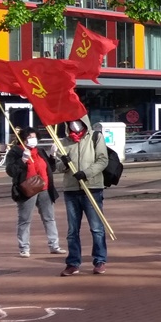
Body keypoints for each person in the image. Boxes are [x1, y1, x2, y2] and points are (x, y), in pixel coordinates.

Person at [55, 115, 109, 276]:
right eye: (71, 122)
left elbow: (102, 160)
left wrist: (86, 173)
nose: (74, 124)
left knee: (97, 228)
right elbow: (58, 167)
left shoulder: (95, 137)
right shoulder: (63, 142)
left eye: (77, 121)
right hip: (71, 190)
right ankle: (73, 263)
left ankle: (100, 260)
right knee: (72, 230)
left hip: (92, 188)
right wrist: (63, 163)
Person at [5, 127, 61, 258]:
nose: (33, 140)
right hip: (27, 189)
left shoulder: (40, 151)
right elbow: (10, 171)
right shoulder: (15, 152)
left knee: (49, 218)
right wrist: (22, 160)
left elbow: (50, 168)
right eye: (30, 137)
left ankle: (54, 245)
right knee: (25, 219)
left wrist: (52, 156)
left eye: (34, 137)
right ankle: (24, 247)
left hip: (45, 188)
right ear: (24, 139)